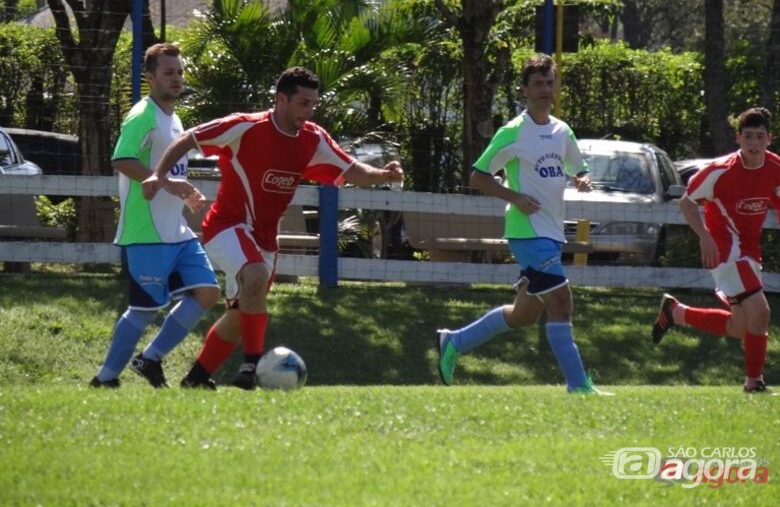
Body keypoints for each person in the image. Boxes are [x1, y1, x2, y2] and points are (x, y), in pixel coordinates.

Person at [142, 66, 403, 390]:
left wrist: (383, 175)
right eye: (303, 103)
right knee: (254, 276)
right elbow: (189, 138)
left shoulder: (313, 138)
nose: (308, 111)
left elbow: (352, 170)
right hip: (227, 226)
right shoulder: (245, 126)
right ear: (281, 99)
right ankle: (251, 368)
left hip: (265, 239)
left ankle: (194, 379)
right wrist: (159, 175)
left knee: (240, 316)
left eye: (313, 105)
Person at [435, 54, 609, 394]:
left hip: (552, 233)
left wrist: (584, 178)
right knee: (562, 302)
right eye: (538, 84)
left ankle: (454, 341)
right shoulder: (512, 132)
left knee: (524, 315)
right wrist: (515, 198)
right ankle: (579, 387)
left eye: (550, 82)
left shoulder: (562, 131)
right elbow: (476, 176)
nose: (545, 89)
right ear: (524, 90)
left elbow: (579, 166)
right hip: (527, 233)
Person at [90, 43, 221, 388]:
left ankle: (149, 359)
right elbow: (122, 159)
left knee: (207, 292)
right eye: (168, 72)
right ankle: (105, 378)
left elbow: (167, 171)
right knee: (145, 310)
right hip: (146, 231)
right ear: (150, 77)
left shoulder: (174, 118)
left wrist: (185, 190)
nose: (177, 78)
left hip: (175, 231)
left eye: (179, 71)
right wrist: (166, 182)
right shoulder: (142, 115)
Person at [652, 107, 780, 394]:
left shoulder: (775, 168)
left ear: (769, 139)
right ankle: (754, 383)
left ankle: (676, 312)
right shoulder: (719, 170)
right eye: (748, 136)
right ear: (738, 138)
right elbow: (687, 203)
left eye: (760, 137)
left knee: (740, 326)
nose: (754, 143)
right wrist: (704, 236)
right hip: (725, 250)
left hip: (748, 252)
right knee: (760, 312)